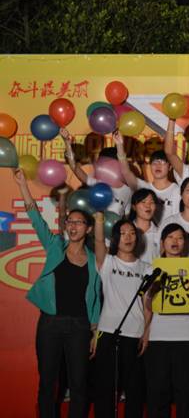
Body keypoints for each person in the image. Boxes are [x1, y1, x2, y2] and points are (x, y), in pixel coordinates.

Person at [14, 169, 101, 418]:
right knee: (48, 383)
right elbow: (35, 218)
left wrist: (95, 332)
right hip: (50, 324)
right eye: (70, 222)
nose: (72, 226)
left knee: (79, 385)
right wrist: (23, 186)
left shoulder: (95, 261)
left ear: (88, 228)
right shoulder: (55, 246)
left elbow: (96, 296)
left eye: (79, 222)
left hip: (80, 327)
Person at [91, 214, 149, 418]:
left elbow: (148, 306)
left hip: (135, 334)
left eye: (132, 233)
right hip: (108, 332)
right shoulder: (108, 262)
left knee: (134, 390)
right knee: (105, 388)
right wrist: (99, 220)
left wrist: (146, 333)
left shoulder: (146, 268)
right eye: (123, 233)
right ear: (116, 238)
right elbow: (99, 241)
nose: (128, 237)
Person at [144, 223, 189, 418]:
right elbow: (147, 306)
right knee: (158, 391)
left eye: (179, 238)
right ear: (162, 243)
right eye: (170, 237)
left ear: (185, 243)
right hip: (158, 335)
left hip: (185, 335)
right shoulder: (152, 269)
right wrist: (152, 292)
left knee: (185, 391)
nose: (175, 241)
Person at [61, 128, 132, 216]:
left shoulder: (127, 190)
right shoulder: (96, 184)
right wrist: (67, 143)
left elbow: (126, 217)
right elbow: (74, 166)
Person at [115, 131, 180, 223]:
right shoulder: (144, 188)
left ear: (170, 167)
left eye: (162, 163)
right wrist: (119, 145)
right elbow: (126, 172)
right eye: (154, 163)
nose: (158, 166)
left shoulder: (176, 190)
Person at [127, 188, 160, 264]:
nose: (148, 206)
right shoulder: (125, 232)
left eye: (152, 202)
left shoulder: (160, 233)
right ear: (134, 207)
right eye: (143, 202)